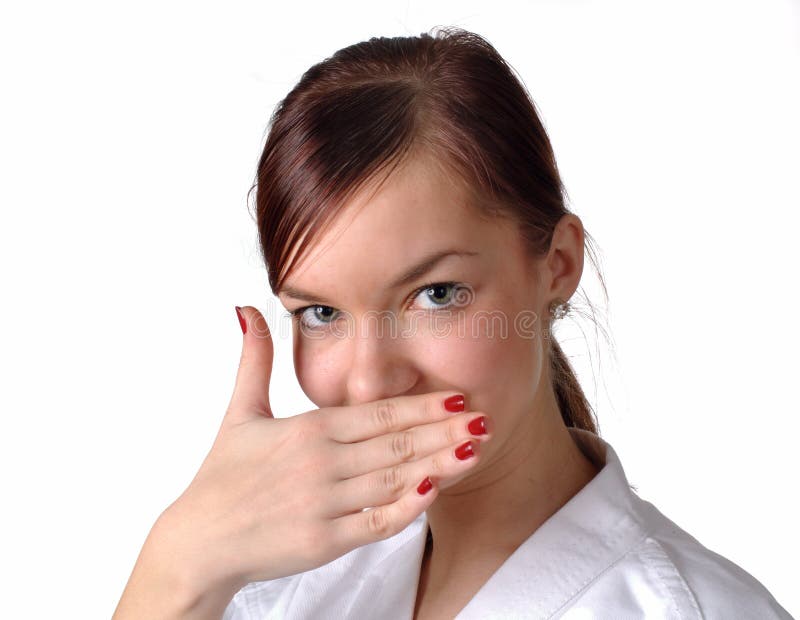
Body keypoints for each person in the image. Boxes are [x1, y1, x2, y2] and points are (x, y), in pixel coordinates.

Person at [113, 28, 793, 620]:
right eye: (321, 314)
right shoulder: (272, 588)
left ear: (556, 263)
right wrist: (177, 563)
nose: (371, 381)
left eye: (436, 294)